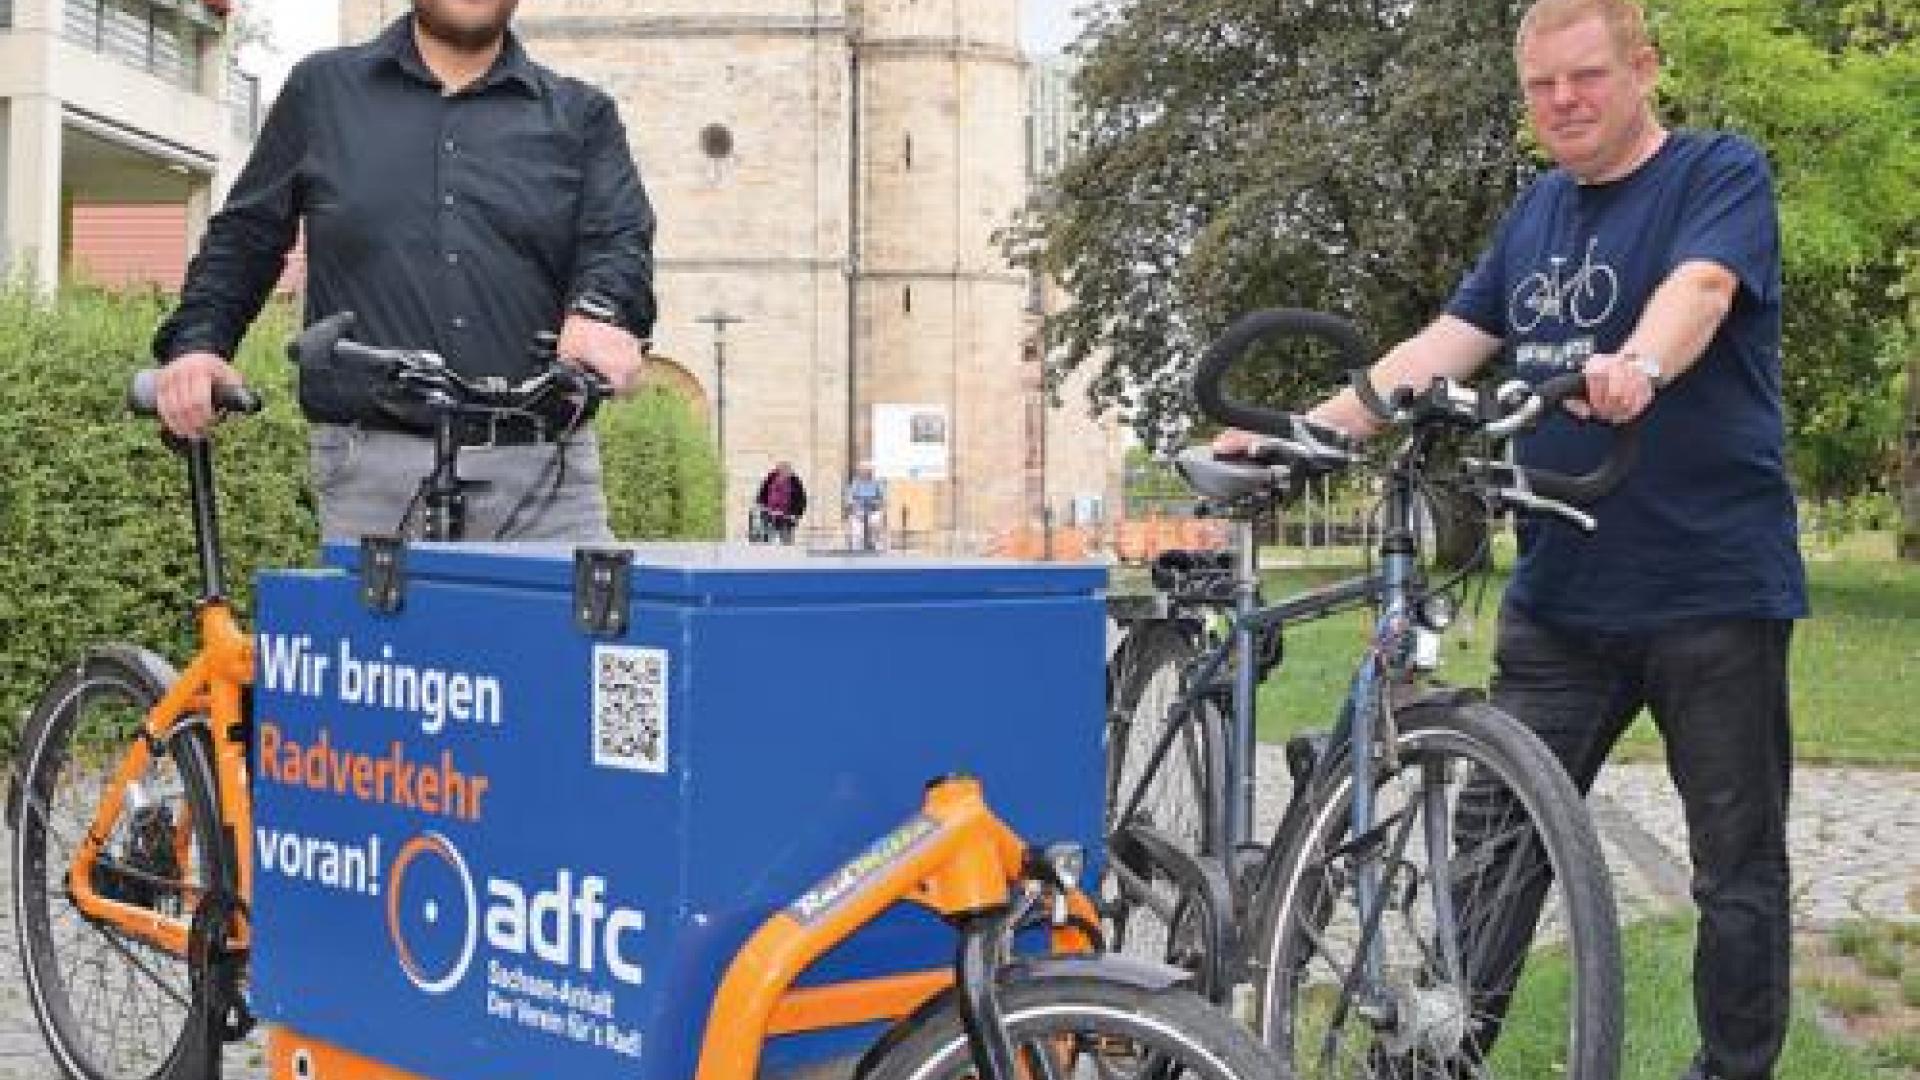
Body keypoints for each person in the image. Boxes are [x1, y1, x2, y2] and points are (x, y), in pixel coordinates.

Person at [1219, 2, 1804, 1077]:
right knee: (1492, 861)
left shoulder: (1716, 173)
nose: (1563, 101)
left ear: (1643, 68)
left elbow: (1702, 288)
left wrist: (1639, 367)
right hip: (1562, 596)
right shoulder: (1536, 213)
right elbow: (1443, 343)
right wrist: (1300, 432)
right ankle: (1438, 1065)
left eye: (1586, 76)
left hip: (1711, 592)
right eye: (1542, 85)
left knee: (1737, 873)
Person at [151, 0, 654, 543]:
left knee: (584, 604)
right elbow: (246, 237)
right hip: (371, 480)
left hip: (547, 482)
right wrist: (199, 346)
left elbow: (619, 241)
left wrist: (602, 311)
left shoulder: (583, 116)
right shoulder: (322, 91)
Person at [752, 461, 808, 544]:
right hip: (770, 516)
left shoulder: (795, 482)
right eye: (781, 469)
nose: (784, 472)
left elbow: (801, 500)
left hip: (787, 517)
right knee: (766, 543)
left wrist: (796, 515)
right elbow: (762, 493)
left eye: (786, 470)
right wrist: (761, 506)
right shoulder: (770, 478)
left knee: (787, 543)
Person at [844, 461, 888, 551]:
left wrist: (876, 503)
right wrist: (855, 507)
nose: (865, 472)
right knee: (856, 530)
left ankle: (876, 548)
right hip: (858, 512)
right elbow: (850, 499)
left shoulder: (877, 483)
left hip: (873, 511)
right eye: (863, 470)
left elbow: (882, 499)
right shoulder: (855, 484)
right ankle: (856, 549)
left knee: (876, 524)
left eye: (868, 470)